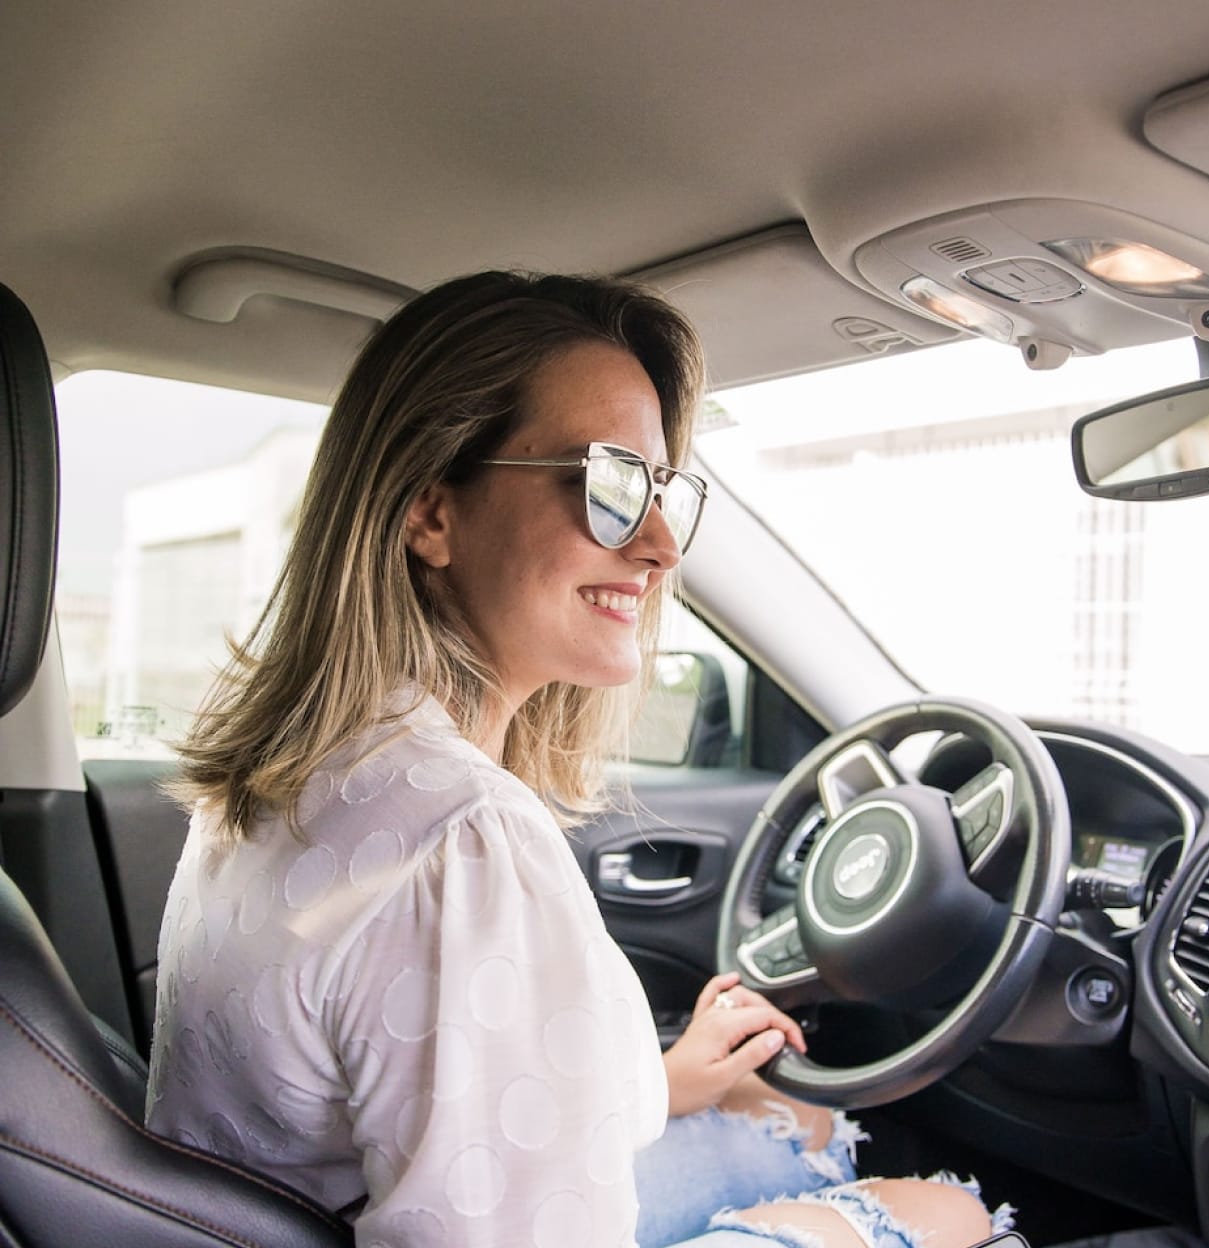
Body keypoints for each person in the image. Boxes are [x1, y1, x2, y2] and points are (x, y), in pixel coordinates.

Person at [144, 270, 1010, 1248]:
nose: (657, 547)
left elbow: (395, 1087)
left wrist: (663, 1079)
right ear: (430, 510)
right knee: (950, 1212)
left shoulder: (287, 771)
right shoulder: (462, 837)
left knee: (793, 1119)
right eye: (605, 485)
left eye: (658, 491)